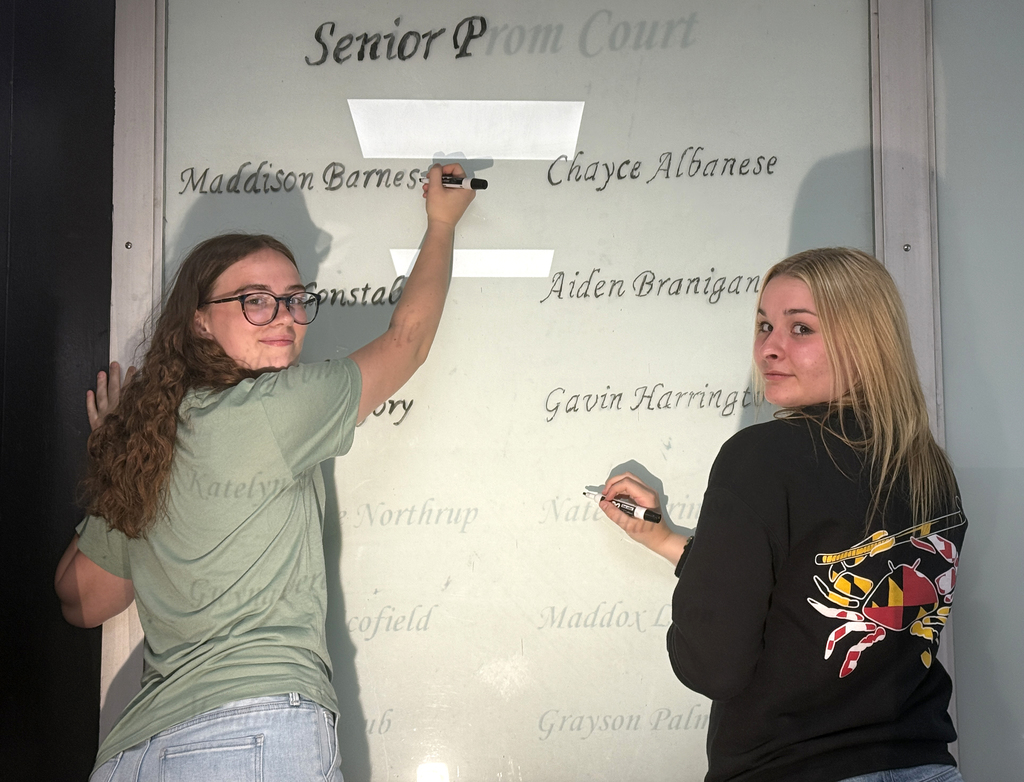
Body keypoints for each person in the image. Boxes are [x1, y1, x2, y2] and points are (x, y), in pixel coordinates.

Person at [54, 163, 474, 781]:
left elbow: (82, 600)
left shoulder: (150, 443)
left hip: (134, 757)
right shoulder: (274, 407)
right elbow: (406, 342)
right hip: (249, 735)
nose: (283, 316)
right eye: (255, 300)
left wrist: (113, 456)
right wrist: (441, 224)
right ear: (200, 319)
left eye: (295, 300)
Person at [600, 248, 966, 782]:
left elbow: (713, 666)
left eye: (801, 329)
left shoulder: (761, 456)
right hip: (925, 766)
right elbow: (797, 594)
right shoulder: (927, 467)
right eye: (764, 325)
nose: (769, 348)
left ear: (865, 343)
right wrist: (664, 539)